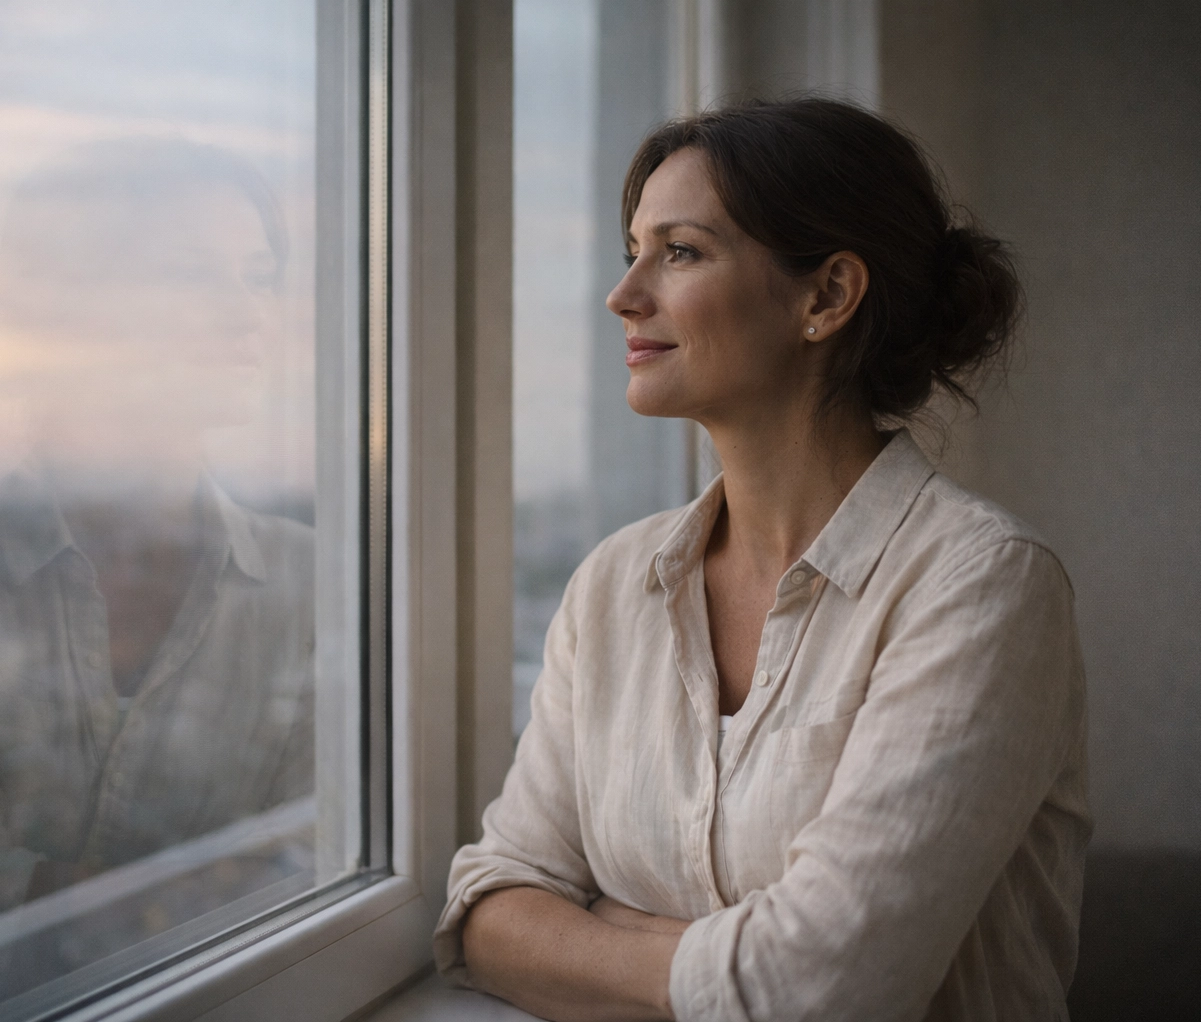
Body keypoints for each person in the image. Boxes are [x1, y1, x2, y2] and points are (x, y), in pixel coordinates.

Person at [435, 99, 1090, 1021]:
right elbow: (486, 914)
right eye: (633, 250)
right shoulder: (613, 588)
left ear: (826, 296)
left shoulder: (981, 585)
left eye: (681, 252)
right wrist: (742, 955)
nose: (624, 295)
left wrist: (608, 926)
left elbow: (823, 988)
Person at [0, 139, 315, 962]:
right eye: (185, 273)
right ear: (71, 310)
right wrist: (204, 895)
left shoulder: (315, 581)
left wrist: (45, 891)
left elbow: (313, 881)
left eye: (257, 276)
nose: (244, 313)